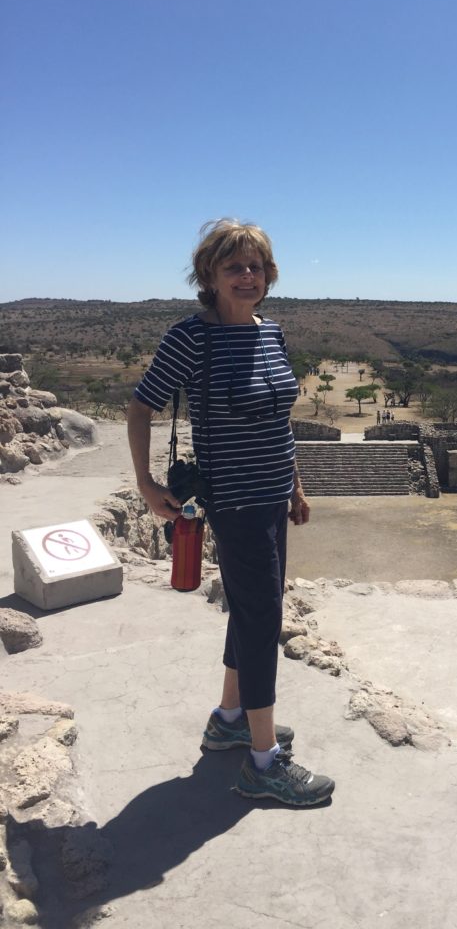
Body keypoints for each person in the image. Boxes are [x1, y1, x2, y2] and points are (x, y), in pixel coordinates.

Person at [127, 219, 334, 807]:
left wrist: (295, 486)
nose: (247, 277)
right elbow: (140, 408)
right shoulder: (192, 338)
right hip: (235, 501)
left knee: (250, 609)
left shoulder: (271, 333)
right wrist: (145, 484)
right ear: (209, 277)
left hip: (271, 495)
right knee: (264, 615)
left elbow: (278, 420)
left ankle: (230, 719)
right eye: (233, 267)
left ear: (269, 276)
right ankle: (263, 765)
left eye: (256, 267)